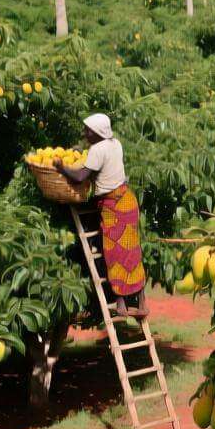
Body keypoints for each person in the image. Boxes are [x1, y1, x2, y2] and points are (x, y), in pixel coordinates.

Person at [54, 113, 148, 318]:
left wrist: (61, 168)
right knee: (132, 251)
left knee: (114, 254)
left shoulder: (97, 149)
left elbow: (80, 177)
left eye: (88, 130)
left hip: (113, 207)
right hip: (127, 201)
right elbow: (100, 167)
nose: (85, 133)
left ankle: (121, 304)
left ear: (97, 132)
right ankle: (141, 302)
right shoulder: (116, 144)